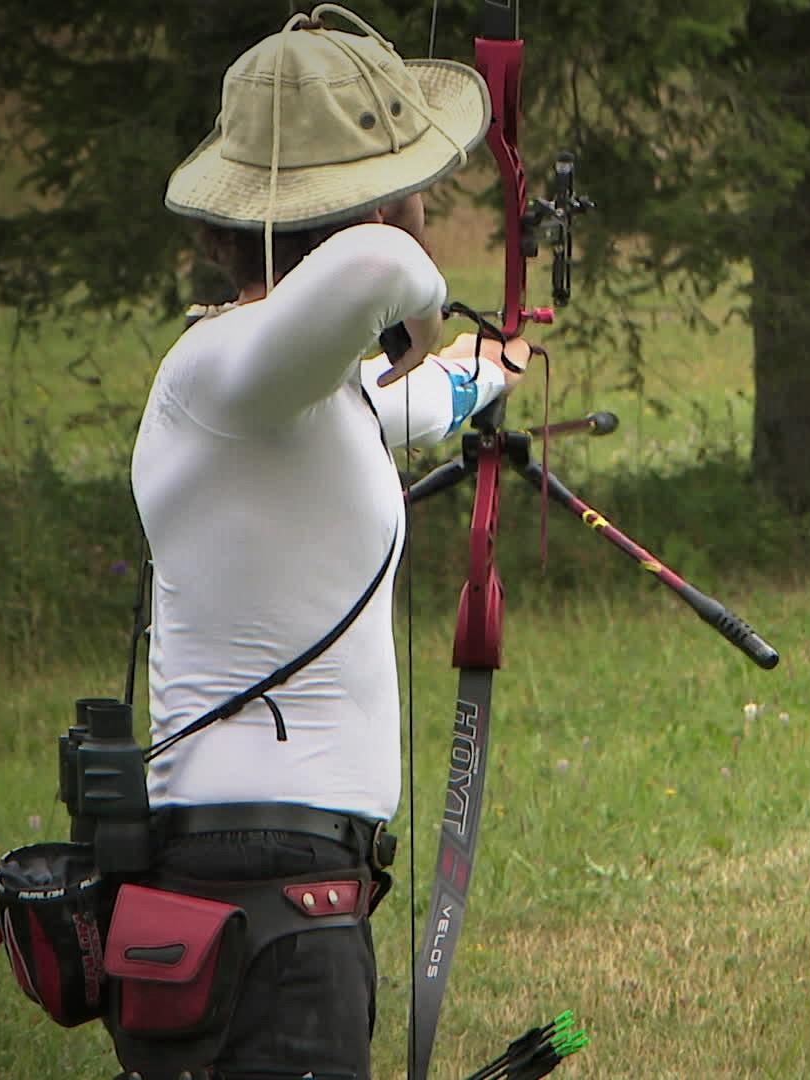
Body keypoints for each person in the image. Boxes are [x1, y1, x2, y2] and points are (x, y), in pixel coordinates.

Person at [116, 7, 528, 1078]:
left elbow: (403, 403)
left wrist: (495, 366)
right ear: (378, 208)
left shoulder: (301, 397)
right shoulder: (222, 374)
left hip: (280, 879)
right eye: (412, 191)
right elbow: (372, 276)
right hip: (255, 884)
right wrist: (412, 275)